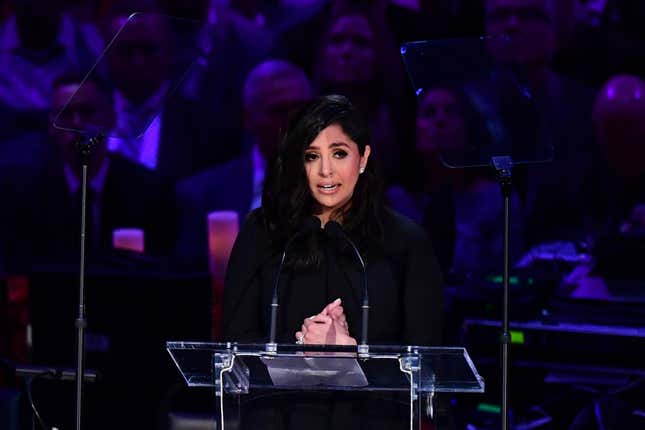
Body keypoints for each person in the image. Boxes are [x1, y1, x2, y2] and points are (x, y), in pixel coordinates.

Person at [222, 94, 444, 429]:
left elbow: (426, 364)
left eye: (339, 153)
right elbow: (235, 347)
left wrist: (350, 355)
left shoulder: (405, 242)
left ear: (363, 157)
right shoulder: (264, 233)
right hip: (279, 419)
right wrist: (301, 353)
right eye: (312, 156)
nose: (326, 171)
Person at [175, 59, 312, 269]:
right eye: (280, 112)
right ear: (250, 118)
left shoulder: (347, 187)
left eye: (301, 111)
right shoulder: (202, 196)